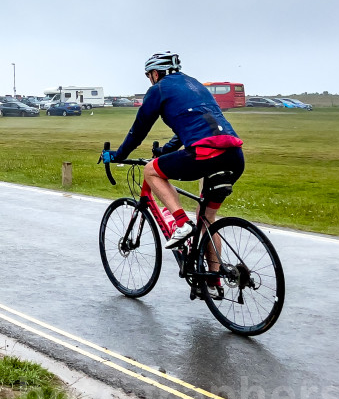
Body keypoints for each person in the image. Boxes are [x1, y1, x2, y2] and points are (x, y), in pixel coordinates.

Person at [103, 53, 245, 293]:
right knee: (207, 219)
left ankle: (181, 222)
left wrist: (118, 155)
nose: (150, 80)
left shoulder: (159, 89)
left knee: (151, 171)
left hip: (205, 153)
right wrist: (167, 150)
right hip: (233, 155)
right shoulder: (195, 85)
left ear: (155, 73)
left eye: (149, 76)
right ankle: (213, 278)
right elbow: (192, 125)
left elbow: (138, 131)